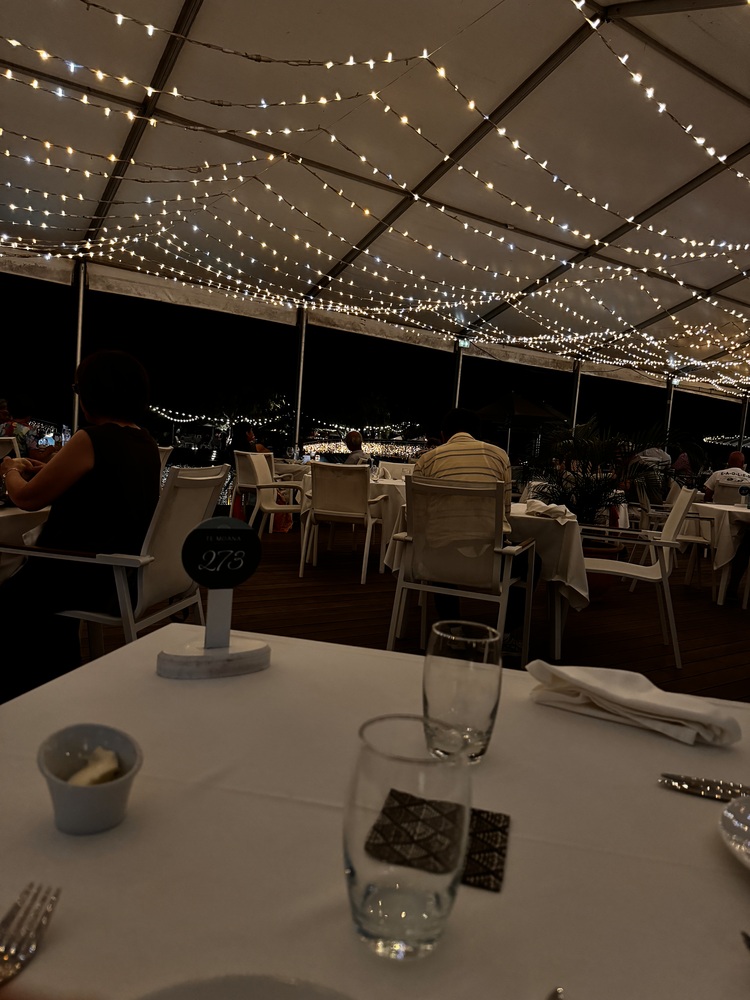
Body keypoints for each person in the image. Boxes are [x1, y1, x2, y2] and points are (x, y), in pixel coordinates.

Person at [0, 350, 160, 701]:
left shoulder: (92, 438)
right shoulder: (145, 442)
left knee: (10, 594)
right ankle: (58, 685)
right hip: (118, 572)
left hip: (78, 573)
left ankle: (24, 696)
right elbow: (105, 481)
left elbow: (26, 499)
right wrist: (47, 470)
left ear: (91, 394)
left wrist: (9, 469)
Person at [412, 408, 536, 654]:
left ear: (443, 435)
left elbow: (418, 517)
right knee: (533, 560)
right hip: (490, 561)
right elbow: (505, 511)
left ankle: (453, 631)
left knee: (439, 544)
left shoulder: (427, 460)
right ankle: (505, 633)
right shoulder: (499, 456)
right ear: (477, 434)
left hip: (439, 563)